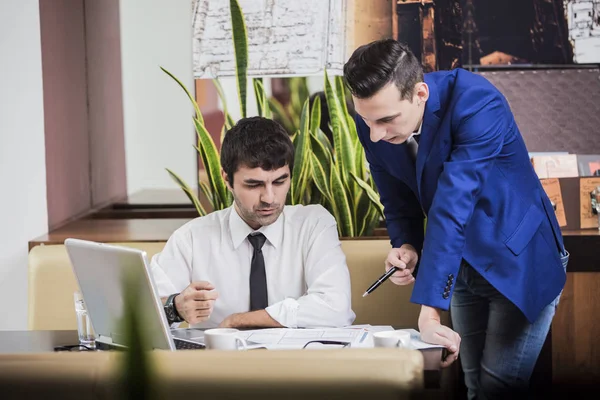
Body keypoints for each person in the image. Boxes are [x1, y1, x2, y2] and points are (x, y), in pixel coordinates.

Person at [343, 39, 568, 398]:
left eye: (386, 120)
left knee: (497, 388)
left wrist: (429, 312)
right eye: (366, 120)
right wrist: (406, 245)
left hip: (518, 259)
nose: (375, 134)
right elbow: (397, 197)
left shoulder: (476, 102)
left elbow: (451, 206)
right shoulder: (373, 118)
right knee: (473, 384)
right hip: (460, 265)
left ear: (420, 93)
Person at [151, 116, 355, 330]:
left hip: (297, 361)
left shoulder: (314, 226)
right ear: (227, 179)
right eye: (254, 184)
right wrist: (175, 307)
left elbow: (336, 308)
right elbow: (141, 313)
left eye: (279, 181)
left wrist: (237, 321)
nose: (269, 198)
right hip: (221, 362)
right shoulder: (191, 239)